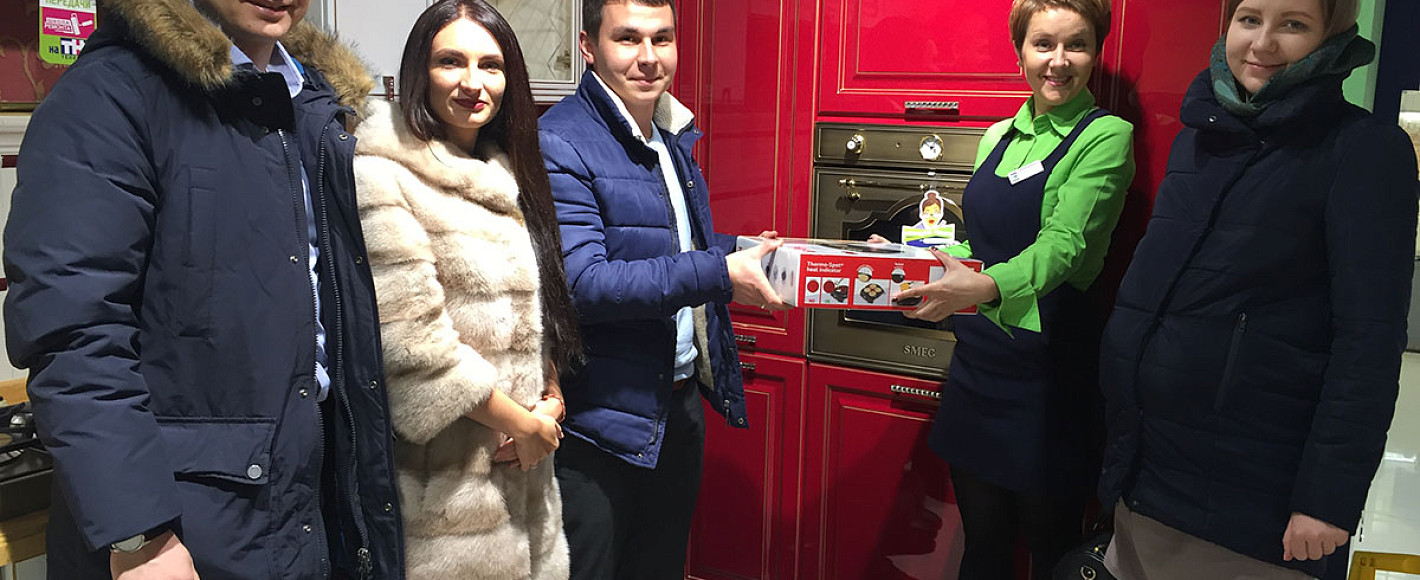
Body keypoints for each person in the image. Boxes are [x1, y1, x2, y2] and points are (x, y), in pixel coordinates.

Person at [2, 0, 405, 578]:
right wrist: (139, 534)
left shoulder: (315, 103)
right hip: (183, 529)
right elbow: (74, 331)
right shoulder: (109, 94)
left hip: (312, 500)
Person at [1096, 0, 1417, 577]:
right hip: (1145, 474)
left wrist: (1326, 499)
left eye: (1293, 24)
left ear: (1333, 36)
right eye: (1249, 19)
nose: (1262, 43)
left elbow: (1368, 342)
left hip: (1249, 504)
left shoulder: (1364, 149)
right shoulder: (1201, 139)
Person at [537, 0, 787, 577]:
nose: (649, 57)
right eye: (628, 39)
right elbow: (583, 284)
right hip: (598, 419)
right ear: (588, 46)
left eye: (663, 38)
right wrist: (720, 272)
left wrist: (747, 250)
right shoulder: (561, 140)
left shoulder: (667, 132)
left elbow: (666, 241)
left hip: (675, 403)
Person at [891, 0, 1135, 577]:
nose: (1059, 61)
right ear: (1020, 53)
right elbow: (979, 245)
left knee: (1051, 553)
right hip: (979, 364)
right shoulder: (999, 134)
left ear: (1095, 53)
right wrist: (909, 261)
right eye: (1043, 44)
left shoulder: (1106, 136)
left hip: (1048, 376)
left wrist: (978, 287)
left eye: (1076, 45)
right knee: (983, 548)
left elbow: (1065, 247)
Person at [351, 1, 581, 578]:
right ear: (419, 72)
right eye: (451, 62)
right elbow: (414, 350)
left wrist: (551, 399)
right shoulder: (383, 174)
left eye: (491, 65)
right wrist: (524, 425)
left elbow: (541, 312)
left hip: (530, 486)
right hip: (451, 504)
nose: (474, 83)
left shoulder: (508, 171)